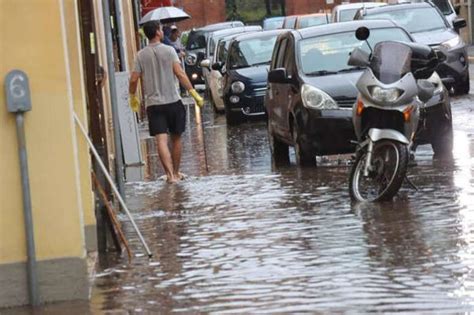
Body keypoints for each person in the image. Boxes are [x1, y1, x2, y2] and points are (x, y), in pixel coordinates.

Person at [129, 20, 204, 183]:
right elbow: (180, 73)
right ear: (157, 32)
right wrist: (194, 93)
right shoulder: (169, 51)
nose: (163, 31)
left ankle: (170, 175)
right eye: (161, 29)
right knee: (176, 138)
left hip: (153, 105)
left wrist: (132, 96)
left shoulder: (141, 55)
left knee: (160, 140)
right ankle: (176, 173)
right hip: (173, 101)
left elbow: (134, 79)